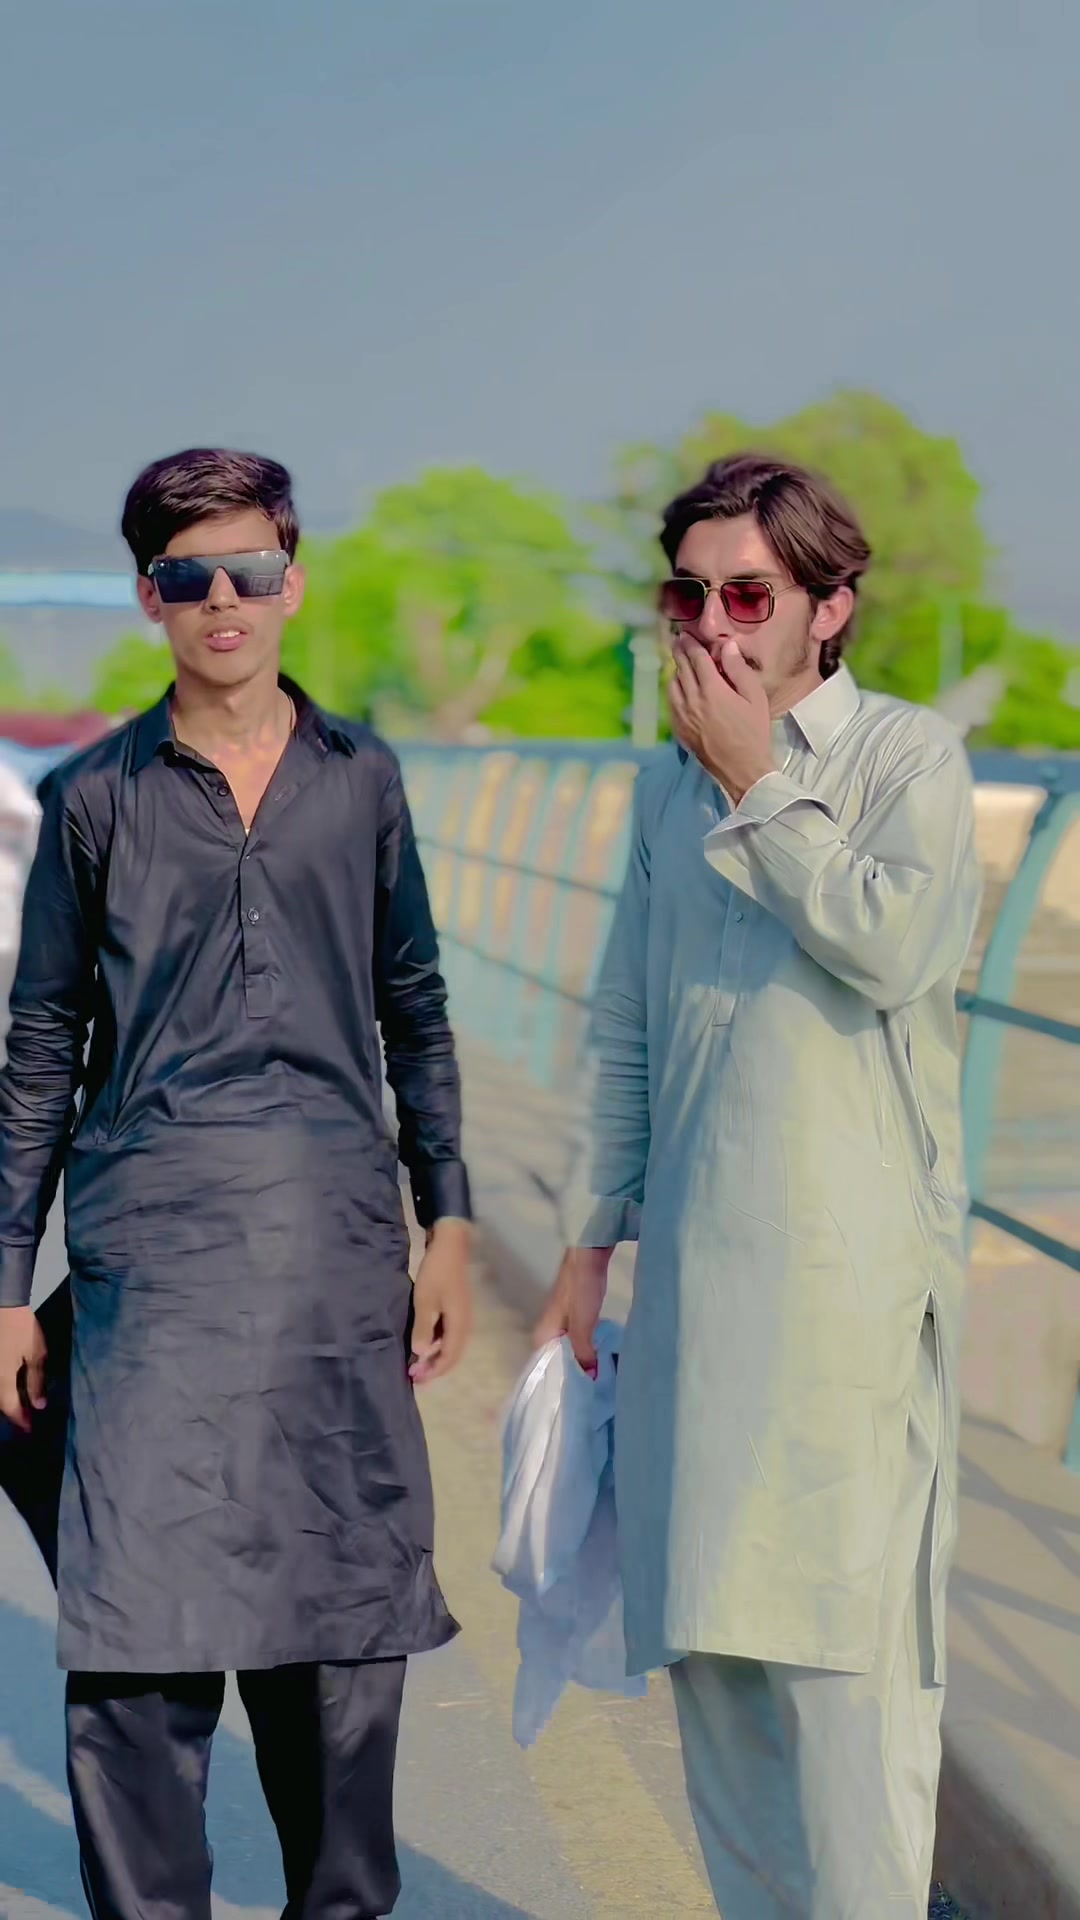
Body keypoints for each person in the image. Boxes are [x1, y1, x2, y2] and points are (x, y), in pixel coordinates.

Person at [0, 447, 473, 1920]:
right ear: (151, 597)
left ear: (292, 582)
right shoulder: (92, 797)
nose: (224, 600)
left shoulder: (362, 780)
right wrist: (6, 1283)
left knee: (339, 1605)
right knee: (138, 1611)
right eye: (190, 575)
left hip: (336, 1247)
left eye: (250, 570)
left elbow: (414, 1006)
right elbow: (40, 1048)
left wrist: (451, 1219)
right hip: (153, 1257)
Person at [536, 453, 982, 1919]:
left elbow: (896, 948)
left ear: (828, 607)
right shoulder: (664, 789)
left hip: (848, 1298)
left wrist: (757, 782)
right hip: (693, 1290)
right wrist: (588, 1242)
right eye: (690, 596)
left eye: (749, 595)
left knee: (850, 1692)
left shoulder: (908, 760)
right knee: (715, 1665)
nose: (713, 625)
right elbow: (625, 1021)